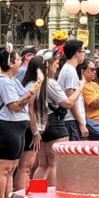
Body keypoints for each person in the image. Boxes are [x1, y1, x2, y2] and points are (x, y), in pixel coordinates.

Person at [0, 48, 39, 198]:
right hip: (6, 127)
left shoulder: (13, 80)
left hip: (17, 127)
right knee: (4, 167)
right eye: (17, 60)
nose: (19, 63)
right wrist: (31, 92)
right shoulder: (2, 81)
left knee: (12, 167)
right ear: (10, 63)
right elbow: (15, 105)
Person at [27, 54, 78, 186]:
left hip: (40, 123)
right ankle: (51, 195)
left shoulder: (30, 83)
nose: (57, 65)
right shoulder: (50, 83)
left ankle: (37, 193)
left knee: (42, 164)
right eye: (55, 62)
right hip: (54, 123)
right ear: (47, 65)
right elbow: (67, 103)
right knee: (55, 163)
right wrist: (80, 88)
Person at [56, 41, 87, 142]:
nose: (84, 54)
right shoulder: (70, 71)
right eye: (83, 51)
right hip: (71, 120)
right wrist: (81, 123)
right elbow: (71, 102)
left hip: (70, 119)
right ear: (76, 53)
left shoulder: (68, 69)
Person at [78, 61, 99, 140]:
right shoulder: (84, 86)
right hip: (94, 124)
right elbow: (95, 104)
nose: (94, 72)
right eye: (92, 69)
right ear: (83, 71)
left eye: (95, 69)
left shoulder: (94, 84)